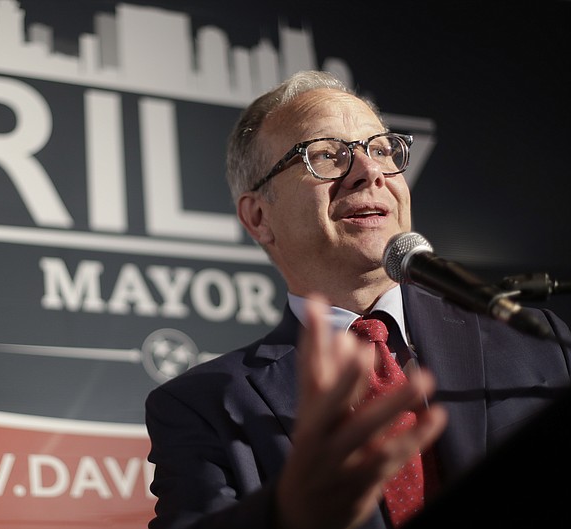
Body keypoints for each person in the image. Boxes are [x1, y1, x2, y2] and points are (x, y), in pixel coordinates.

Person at [143, 70, 571, 529]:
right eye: (327, 156)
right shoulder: (204, 405)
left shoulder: (534, 341)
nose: (369, 172)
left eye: (382, 150)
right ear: (259, 216)